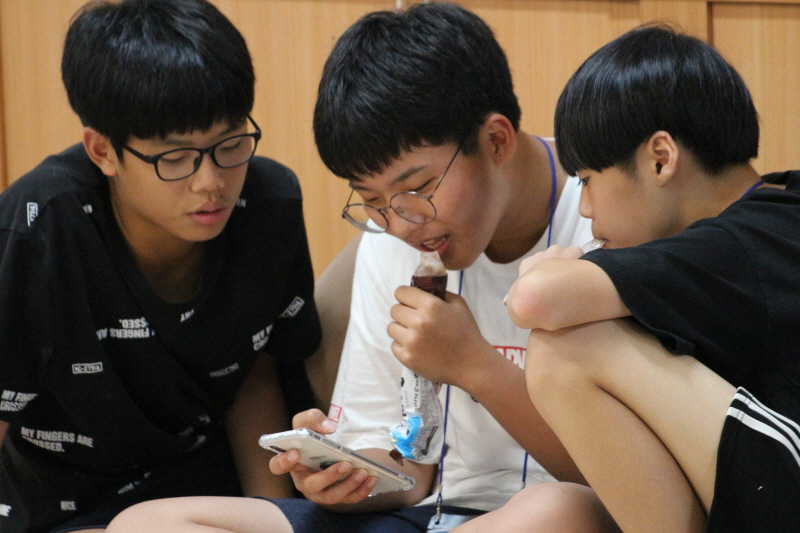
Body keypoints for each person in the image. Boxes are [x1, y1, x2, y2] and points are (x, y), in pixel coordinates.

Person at [105, 3, 620, 533]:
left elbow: (629, 479)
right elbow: (407, 472)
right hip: (424, 516)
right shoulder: (394, 236)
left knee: (555, 511)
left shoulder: (609, 219)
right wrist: (342, 475)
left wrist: (476, 369)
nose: (398, 223)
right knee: (148, 523)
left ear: (495, 141)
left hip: (559, 513)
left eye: (417, 188)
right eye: (371, 200)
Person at [0, 0, 322, 531]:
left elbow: (256, 376)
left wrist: (275, 516)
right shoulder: (40, 229)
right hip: (60, 507)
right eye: (175, 158)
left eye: (230, 144)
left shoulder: (268, 205)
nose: (210, 182)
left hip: (207, 495)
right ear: (103, 151)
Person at [505, 24, 800, 533]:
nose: (587, 211)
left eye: (588, 181)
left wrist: (543, 266)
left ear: (661, 159)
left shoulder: (744, 240)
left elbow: (535, 299)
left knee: (567, 350)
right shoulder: (770, 214)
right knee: (554, 509)